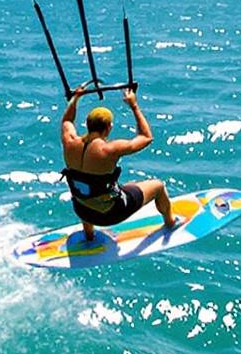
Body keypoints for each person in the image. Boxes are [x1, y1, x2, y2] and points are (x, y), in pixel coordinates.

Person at [61, 83, 181, 243]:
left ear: (87, 125)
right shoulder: (109, 150)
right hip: (111, 214)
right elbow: (146, 137)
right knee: (158, 186)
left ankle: (89, 235)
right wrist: (134, 105)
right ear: (108, 128)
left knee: (85, 186)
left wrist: (75, 98)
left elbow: (67, 120)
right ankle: (170, 222)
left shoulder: (69, 142)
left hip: (82, 211)